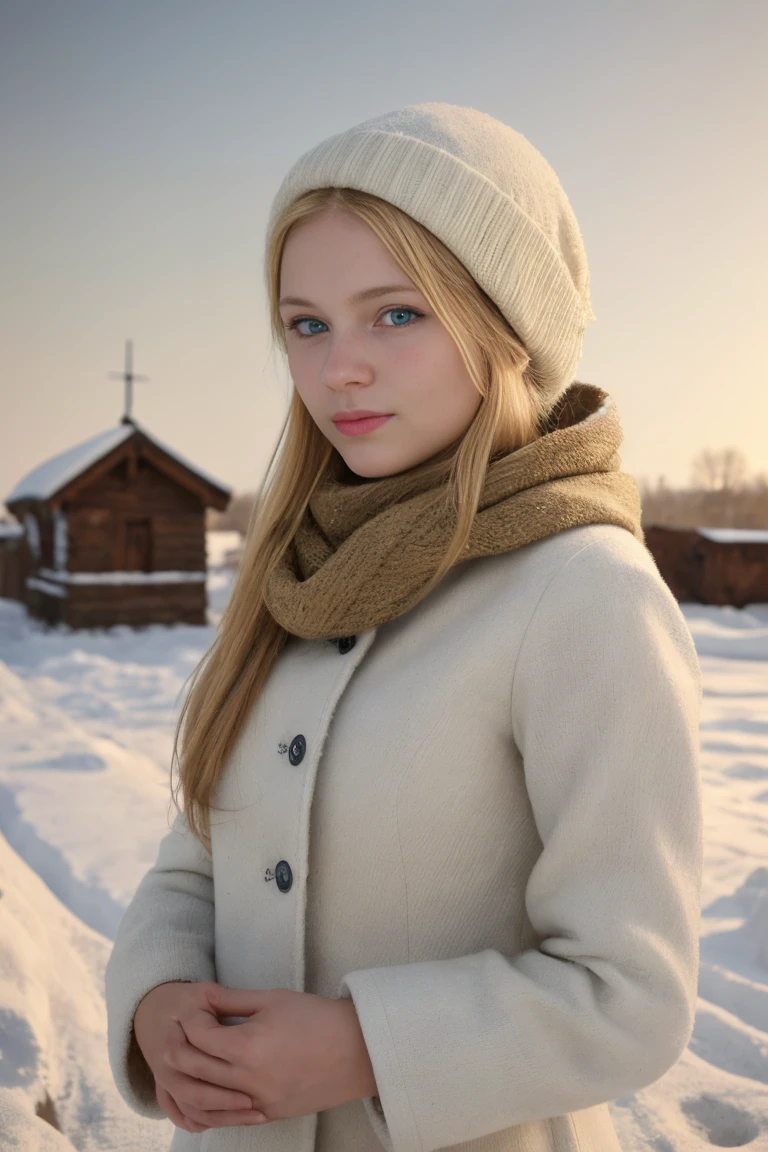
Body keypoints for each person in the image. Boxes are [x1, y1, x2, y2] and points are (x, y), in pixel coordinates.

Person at [104, 102, 703, 1152]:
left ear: (505, 325)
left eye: (396, 314)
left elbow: (631, 991)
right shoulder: (293, 578)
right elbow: (198, 862)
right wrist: (157, 1003)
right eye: (307, 323)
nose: (340, 369)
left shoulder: (584, 591)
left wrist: (363, 1045)